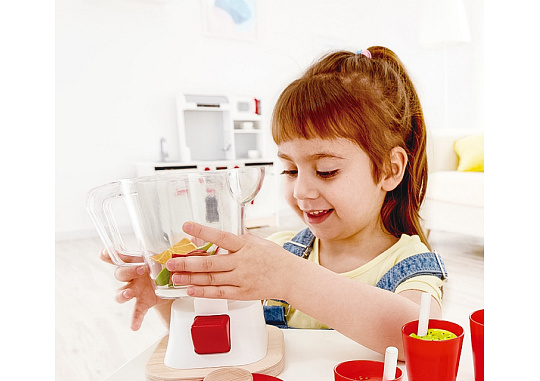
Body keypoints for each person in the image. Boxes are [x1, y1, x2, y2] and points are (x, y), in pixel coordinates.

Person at [101, 46, 446, 358]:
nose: (301, 191)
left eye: (326, 171)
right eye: (290, 170)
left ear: (390, 169)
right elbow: (217, 345)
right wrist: (168, 295)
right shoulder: (279, 251)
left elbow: (419, 337)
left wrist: (288, 278)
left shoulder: (411, 263)